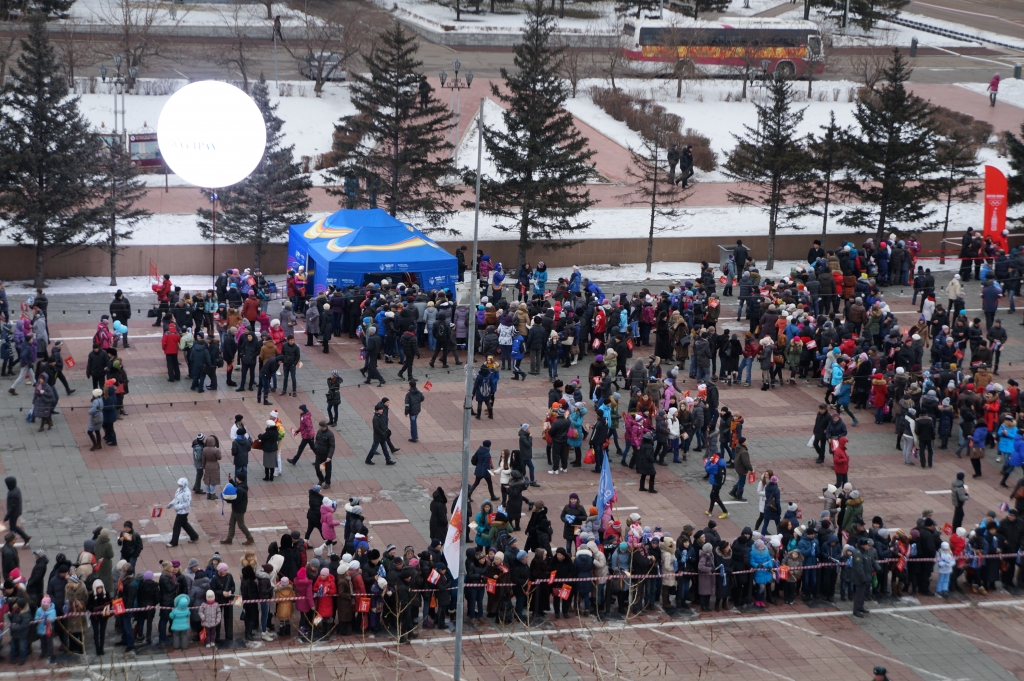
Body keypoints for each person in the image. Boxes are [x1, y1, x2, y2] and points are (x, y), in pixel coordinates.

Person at [221, 473, 255, 545]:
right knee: (231, 523)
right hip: (238, 508)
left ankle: (250, 538)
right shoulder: (243, 486)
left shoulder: (240, 489)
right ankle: (229, 538)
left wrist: (227, 499)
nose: (236, 478)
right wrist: (231, 481)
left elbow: (236, 500)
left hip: (238, 509)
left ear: (238, 479)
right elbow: (236, 486)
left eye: (236, 477)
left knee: (241, 525)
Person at [165, 477, 199, 548]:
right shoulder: (179, 490)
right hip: (179, 511)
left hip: (183, 512)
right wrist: (170, 505)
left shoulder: (187, 493)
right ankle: (194, 536)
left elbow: (187, 503)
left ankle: (174, 542)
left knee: (176, 527)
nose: (179, 486)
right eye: (179, 484)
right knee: (184, 524)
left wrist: (177, 507)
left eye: (181, 485)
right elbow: (176, 498)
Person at [3, 477, 29, 544]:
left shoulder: (12, 493)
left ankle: (10, 541)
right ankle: (25, 537)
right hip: (17, 511)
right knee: (13, 526)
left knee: (12, 527)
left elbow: (12, 508)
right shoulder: (16, 489)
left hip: (14, 513)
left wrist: (6, 517)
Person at [313, 420, 336, 486]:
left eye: (320, 426)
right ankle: (321, 479)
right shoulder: (319, 431)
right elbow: (316, 440)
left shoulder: (330, 434)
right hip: (319, 454)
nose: (319, 427)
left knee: (327, 470)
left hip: (326, 455)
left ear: (323, 427)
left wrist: (329, 456)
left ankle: (327, 482)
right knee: (317, 468)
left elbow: (332, 446)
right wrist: (316, 447)